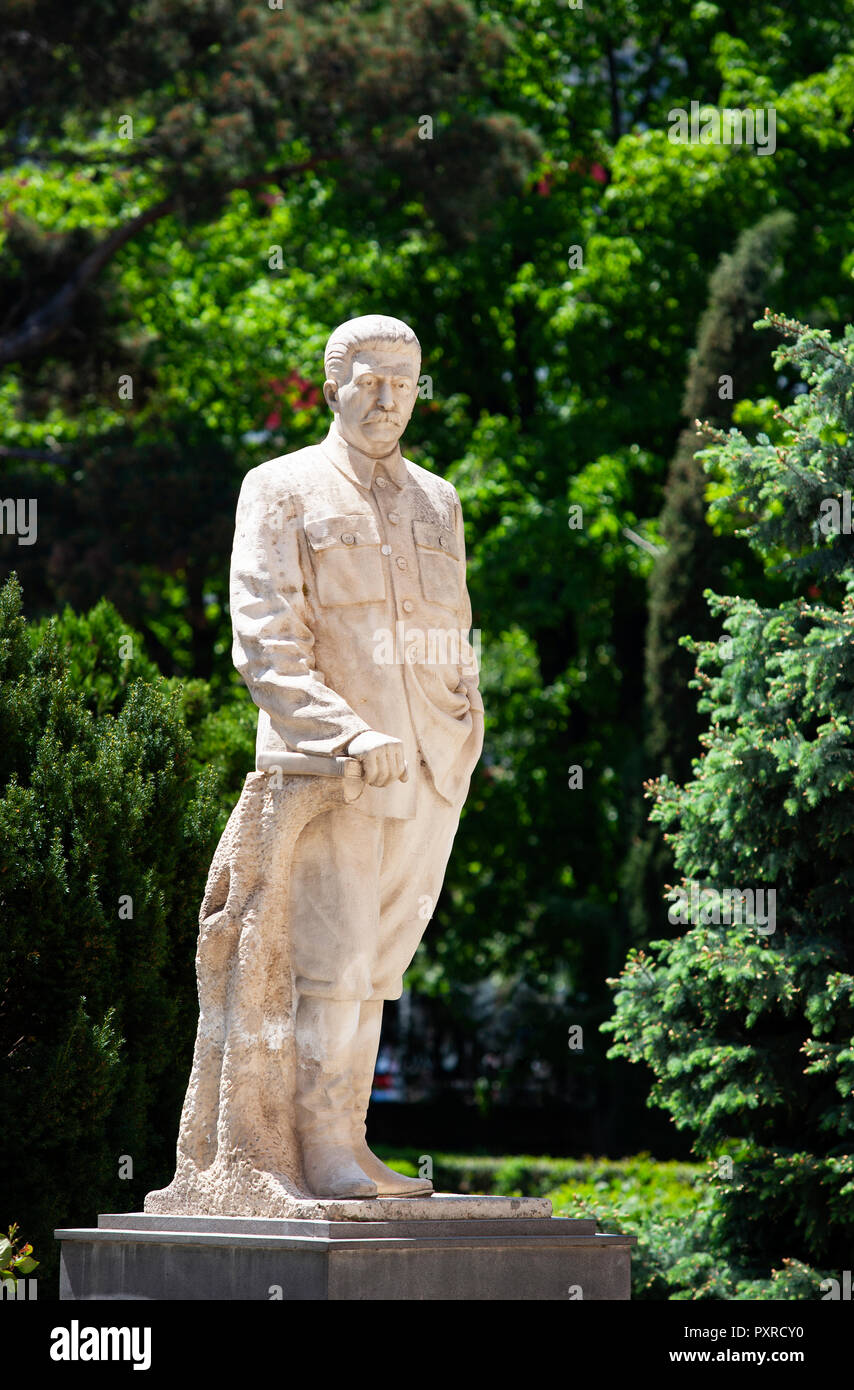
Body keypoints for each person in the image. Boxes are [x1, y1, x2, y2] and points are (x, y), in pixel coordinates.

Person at [229, 314, 483, 1198]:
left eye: (404, 384)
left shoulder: (437, 500)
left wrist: (463, 723)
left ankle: (350, 1140)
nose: (388, 401)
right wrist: (344, 733)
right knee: (329, 961)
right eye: (370, 381)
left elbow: (453, 629)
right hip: (330, 768)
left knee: (379, 962)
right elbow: (266, 638)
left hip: (430, 766)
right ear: (332, 385)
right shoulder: (281, 487)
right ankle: (318, 1150)